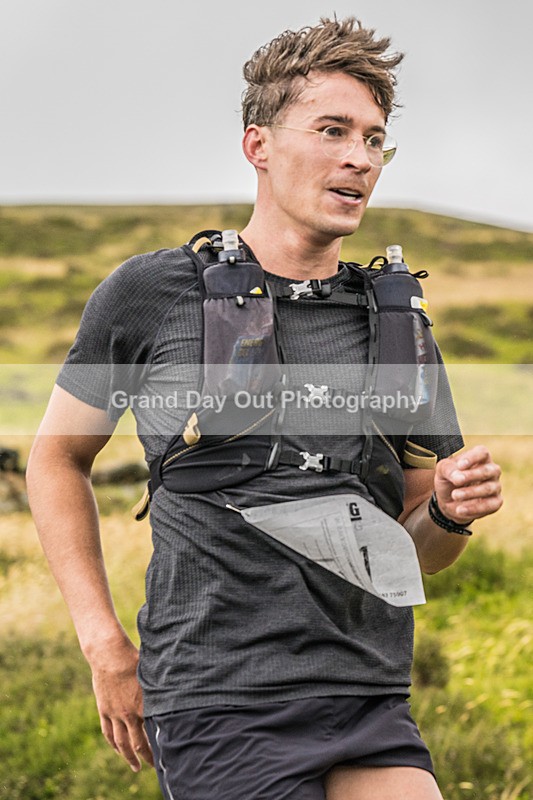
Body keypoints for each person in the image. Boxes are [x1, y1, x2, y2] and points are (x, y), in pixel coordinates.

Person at [27, 16, 503, 800]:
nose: (359, 156)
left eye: (374, 138)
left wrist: (448, 514)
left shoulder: (396, 323)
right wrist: (103, 643)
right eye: (332, 130)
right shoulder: (153, 293)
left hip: (365, 691)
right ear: (259, 145)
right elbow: (56, 459)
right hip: (219, 698)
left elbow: (415, 549)